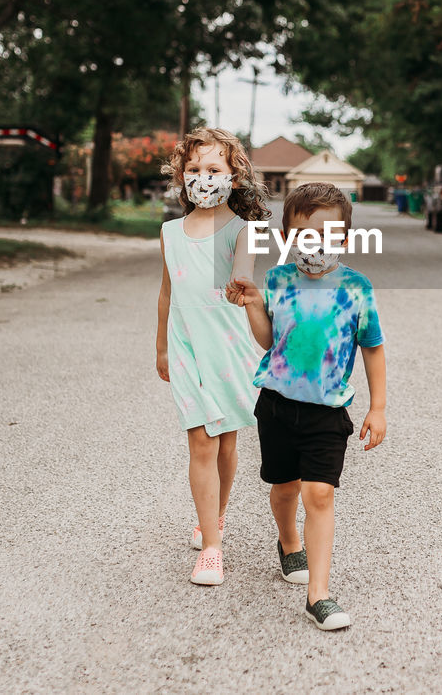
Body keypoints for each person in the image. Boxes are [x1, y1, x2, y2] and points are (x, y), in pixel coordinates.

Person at [225, 182, 387, 631]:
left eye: (326, 235)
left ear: (345, 240)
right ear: (285, 239)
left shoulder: (356, 288)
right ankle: (287, 541)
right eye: (302, 235)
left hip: (326, 411)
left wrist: (378, 407)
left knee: (319, 493)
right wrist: (254, 304)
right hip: (276, 404)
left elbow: (372, 347)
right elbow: (268, 340)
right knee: (284, 488)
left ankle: (320, 593)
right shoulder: (278, 280)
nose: (313, 245)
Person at [155, 128, 270, 586]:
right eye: (194, 169)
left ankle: (214, 516)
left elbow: (243, 274)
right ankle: (211, 549)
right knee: (200, 438)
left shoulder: (245, 231)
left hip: (228, 346)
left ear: (234, 177)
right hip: (186, 345)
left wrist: (240, 282)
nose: (202, 178)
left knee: (225, 441)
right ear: (181, 177)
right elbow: (166, 292)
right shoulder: (169, 232)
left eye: (213, 169)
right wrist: (161, 346)